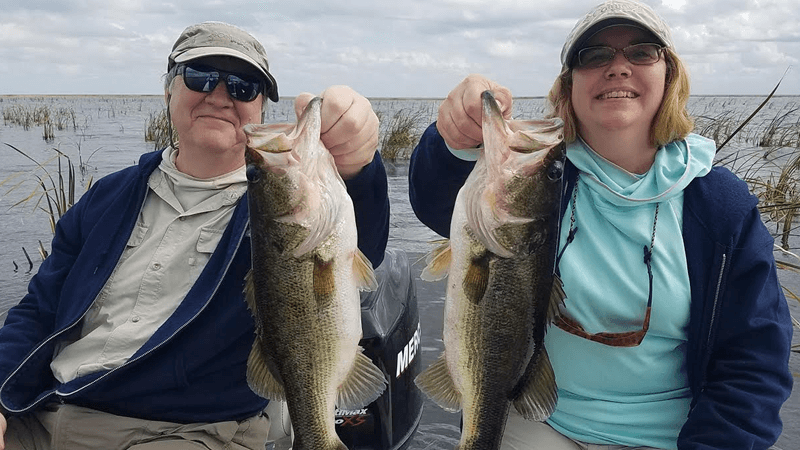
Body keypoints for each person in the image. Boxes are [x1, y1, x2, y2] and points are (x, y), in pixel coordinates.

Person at [408, 0, 793, 449]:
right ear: (568, 87)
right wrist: (454, 138)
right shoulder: (546, 172)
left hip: (676, 435)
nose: (618, 67)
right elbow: (436, 199)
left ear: (669, 75)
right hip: (542, 419)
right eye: (594, 56)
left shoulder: (719, 204)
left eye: (642, 52)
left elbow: (753, 364)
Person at [0, 21, 389, 450]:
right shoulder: (106, 197)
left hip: (185, 432)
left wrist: (358, 165)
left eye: (243, 86)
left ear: (260, 108)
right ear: (168, 91)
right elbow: (38, 310)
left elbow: (358, 241)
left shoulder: (268, 211)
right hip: (43, 411)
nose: (220, 96)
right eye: (200, 76)